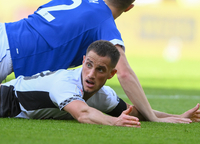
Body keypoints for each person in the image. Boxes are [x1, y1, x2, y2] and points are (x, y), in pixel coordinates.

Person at [0, 0, 196, 123]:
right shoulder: (104, 23)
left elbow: (40, 14)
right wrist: (154, 119)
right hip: (10, 51)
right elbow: (125, 73)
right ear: (129, 7)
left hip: (6, 30)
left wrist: (175, 117)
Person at [0, 40, 200, 127]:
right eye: (89, 65)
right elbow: (83, 114)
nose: (91, 74)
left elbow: (136, 112)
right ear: (84, 60)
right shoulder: (65, 83)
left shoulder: (105, 95)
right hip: (5, 99)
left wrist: (177, 117)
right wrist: (115, 122)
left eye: (100, 70)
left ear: (111, 74)